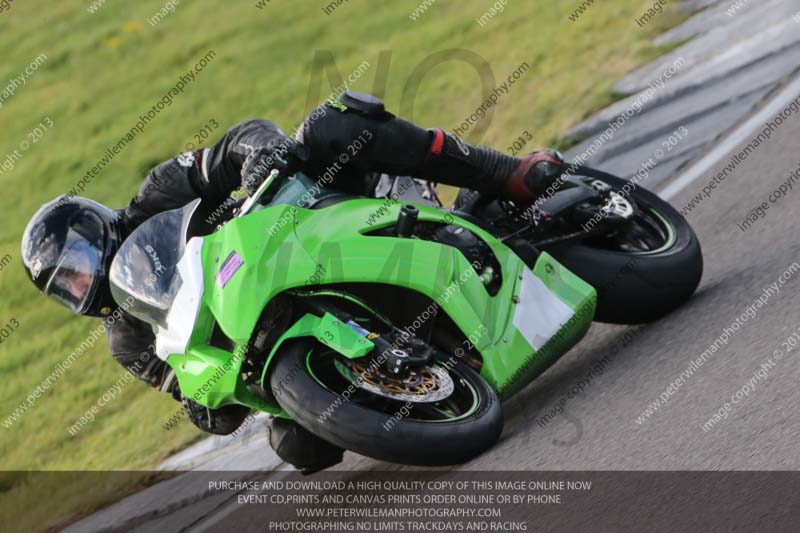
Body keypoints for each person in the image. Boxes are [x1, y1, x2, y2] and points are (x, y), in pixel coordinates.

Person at [21, 91, 565, 473]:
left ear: (97, 228)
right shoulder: (128, 339)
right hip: (277, 336)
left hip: (318, 221)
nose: (80, 282)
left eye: (78, 262)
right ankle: (416, 374)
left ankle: (505, 173)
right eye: (65, 285)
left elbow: (235, 142)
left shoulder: (157, 194)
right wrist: (204, 406)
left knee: (336, 123)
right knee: (300, 445)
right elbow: (198, 393)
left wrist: (258, 154)